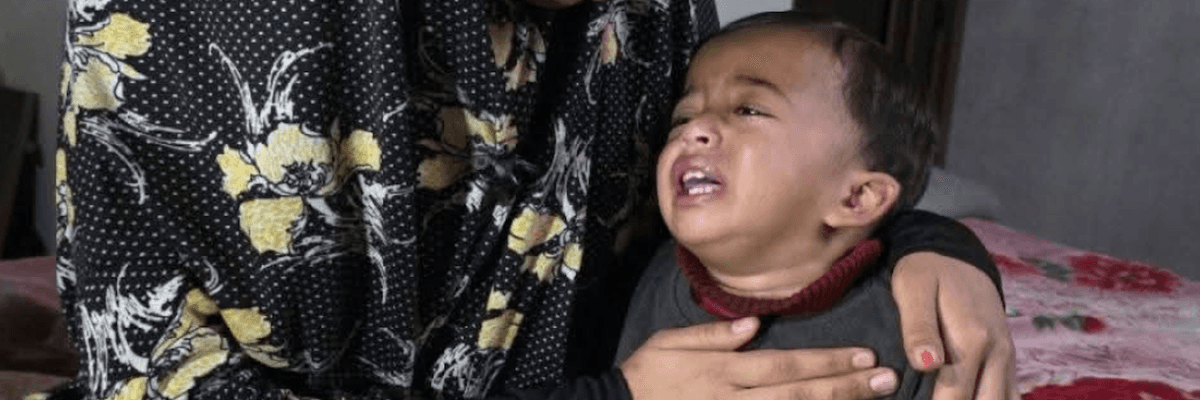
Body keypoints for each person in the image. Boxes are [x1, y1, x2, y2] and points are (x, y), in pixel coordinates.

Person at [51, 0, 1010, 399]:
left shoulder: (634, 19)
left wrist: (925, 243)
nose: (696, 126)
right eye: (693, 112)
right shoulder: (185, 34)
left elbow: (772, 186)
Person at [615, 11, 1011, 400]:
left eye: (748, 110)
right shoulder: (640, 273)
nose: (693, 131)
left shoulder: (914, 331)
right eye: (682, 117)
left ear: (857, 199)